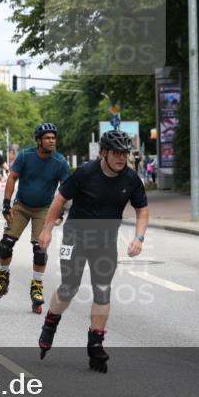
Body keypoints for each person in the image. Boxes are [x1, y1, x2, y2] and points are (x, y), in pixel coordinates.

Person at [36, 129, 149, 373]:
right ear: (104, 153)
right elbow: (59, 201)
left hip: (106, 240)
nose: (122, 158)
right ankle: (51, 323)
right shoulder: (86, 173)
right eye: (117, 153)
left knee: (102, 290)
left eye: (125, 153)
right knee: (70, 287)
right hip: (75, 236)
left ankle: (95, 343)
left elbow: (142, 209)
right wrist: (46, 230)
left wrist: (139, 237)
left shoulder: (130, 179)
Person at [0, 122, 70, 313]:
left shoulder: (60, 162)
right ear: (39, 140)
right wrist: (7, 204)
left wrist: (61, 212)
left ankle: (37, 285)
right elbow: (12, 177)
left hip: (44, 209)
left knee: (40, 249)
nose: (52, 141)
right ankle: (3, 278)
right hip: (22, 206)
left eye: (53, 138)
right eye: (48, 138)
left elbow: (66, 189)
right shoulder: (26, 155)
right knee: (5, 244)